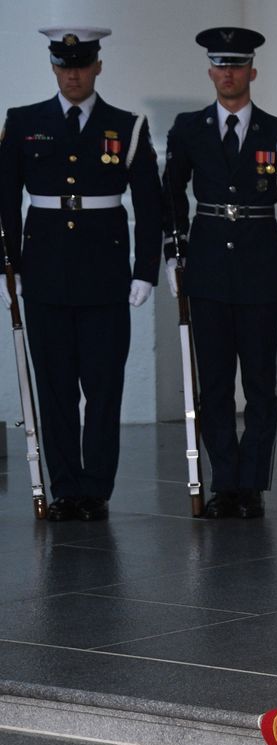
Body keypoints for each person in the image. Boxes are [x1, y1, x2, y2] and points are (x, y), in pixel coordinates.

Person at [0, 27, 161, 522]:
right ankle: (66, 486)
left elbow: (150, 204)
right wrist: (11, 263)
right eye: (64, 64)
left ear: (97, 66)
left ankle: (96, 488)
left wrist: (145, 271)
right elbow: (6, 199)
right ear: (53, 67)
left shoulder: (126, 125)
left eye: (82, 63)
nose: (73, 73)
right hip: (45, 271)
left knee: (103, 384)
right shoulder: (23, 122)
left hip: (105, 273)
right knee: (54, 387)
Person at [162, 28, 277, 519]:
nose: (228, 73)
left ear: (252, 71)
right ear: (210, 72)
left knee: (262, 383)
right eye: (220, 65)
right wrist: (173, 253)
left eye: (237, 65)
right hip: (206, 267)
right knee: (216, 383)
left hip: (260, 268)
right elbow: (171, 195)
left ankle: (252, 484)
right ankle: (225, 480)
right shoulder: (188, 128)